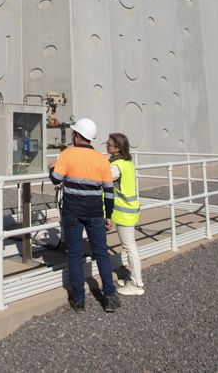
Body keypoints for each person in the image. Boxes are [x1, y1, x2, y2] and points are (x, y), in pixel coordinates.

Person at [49, 118, 120, 313]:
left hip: (72, 211)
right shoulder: (101, 159)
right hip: (95, 212)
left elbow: (56, 179)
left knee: (74, 254)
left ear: (77, 135)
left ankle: (79, 300)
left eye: (74, 133)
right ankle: (109, 297)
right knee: (101, 253)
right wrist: (109, 215)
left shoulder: (67, 154)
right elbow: (109, 190)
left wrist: (51, 167)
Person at [106, 132, 144, 296]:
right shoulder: (126, 162)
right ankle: (132, 278)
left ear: (117, 148)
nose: (107, 146)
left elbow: (101, 178)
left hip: (124, 212)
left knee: (130, 247)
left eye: (109, 144)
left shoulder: (116, 166)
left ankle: (136, 283)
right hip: (130, 209)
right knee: (130, 246)